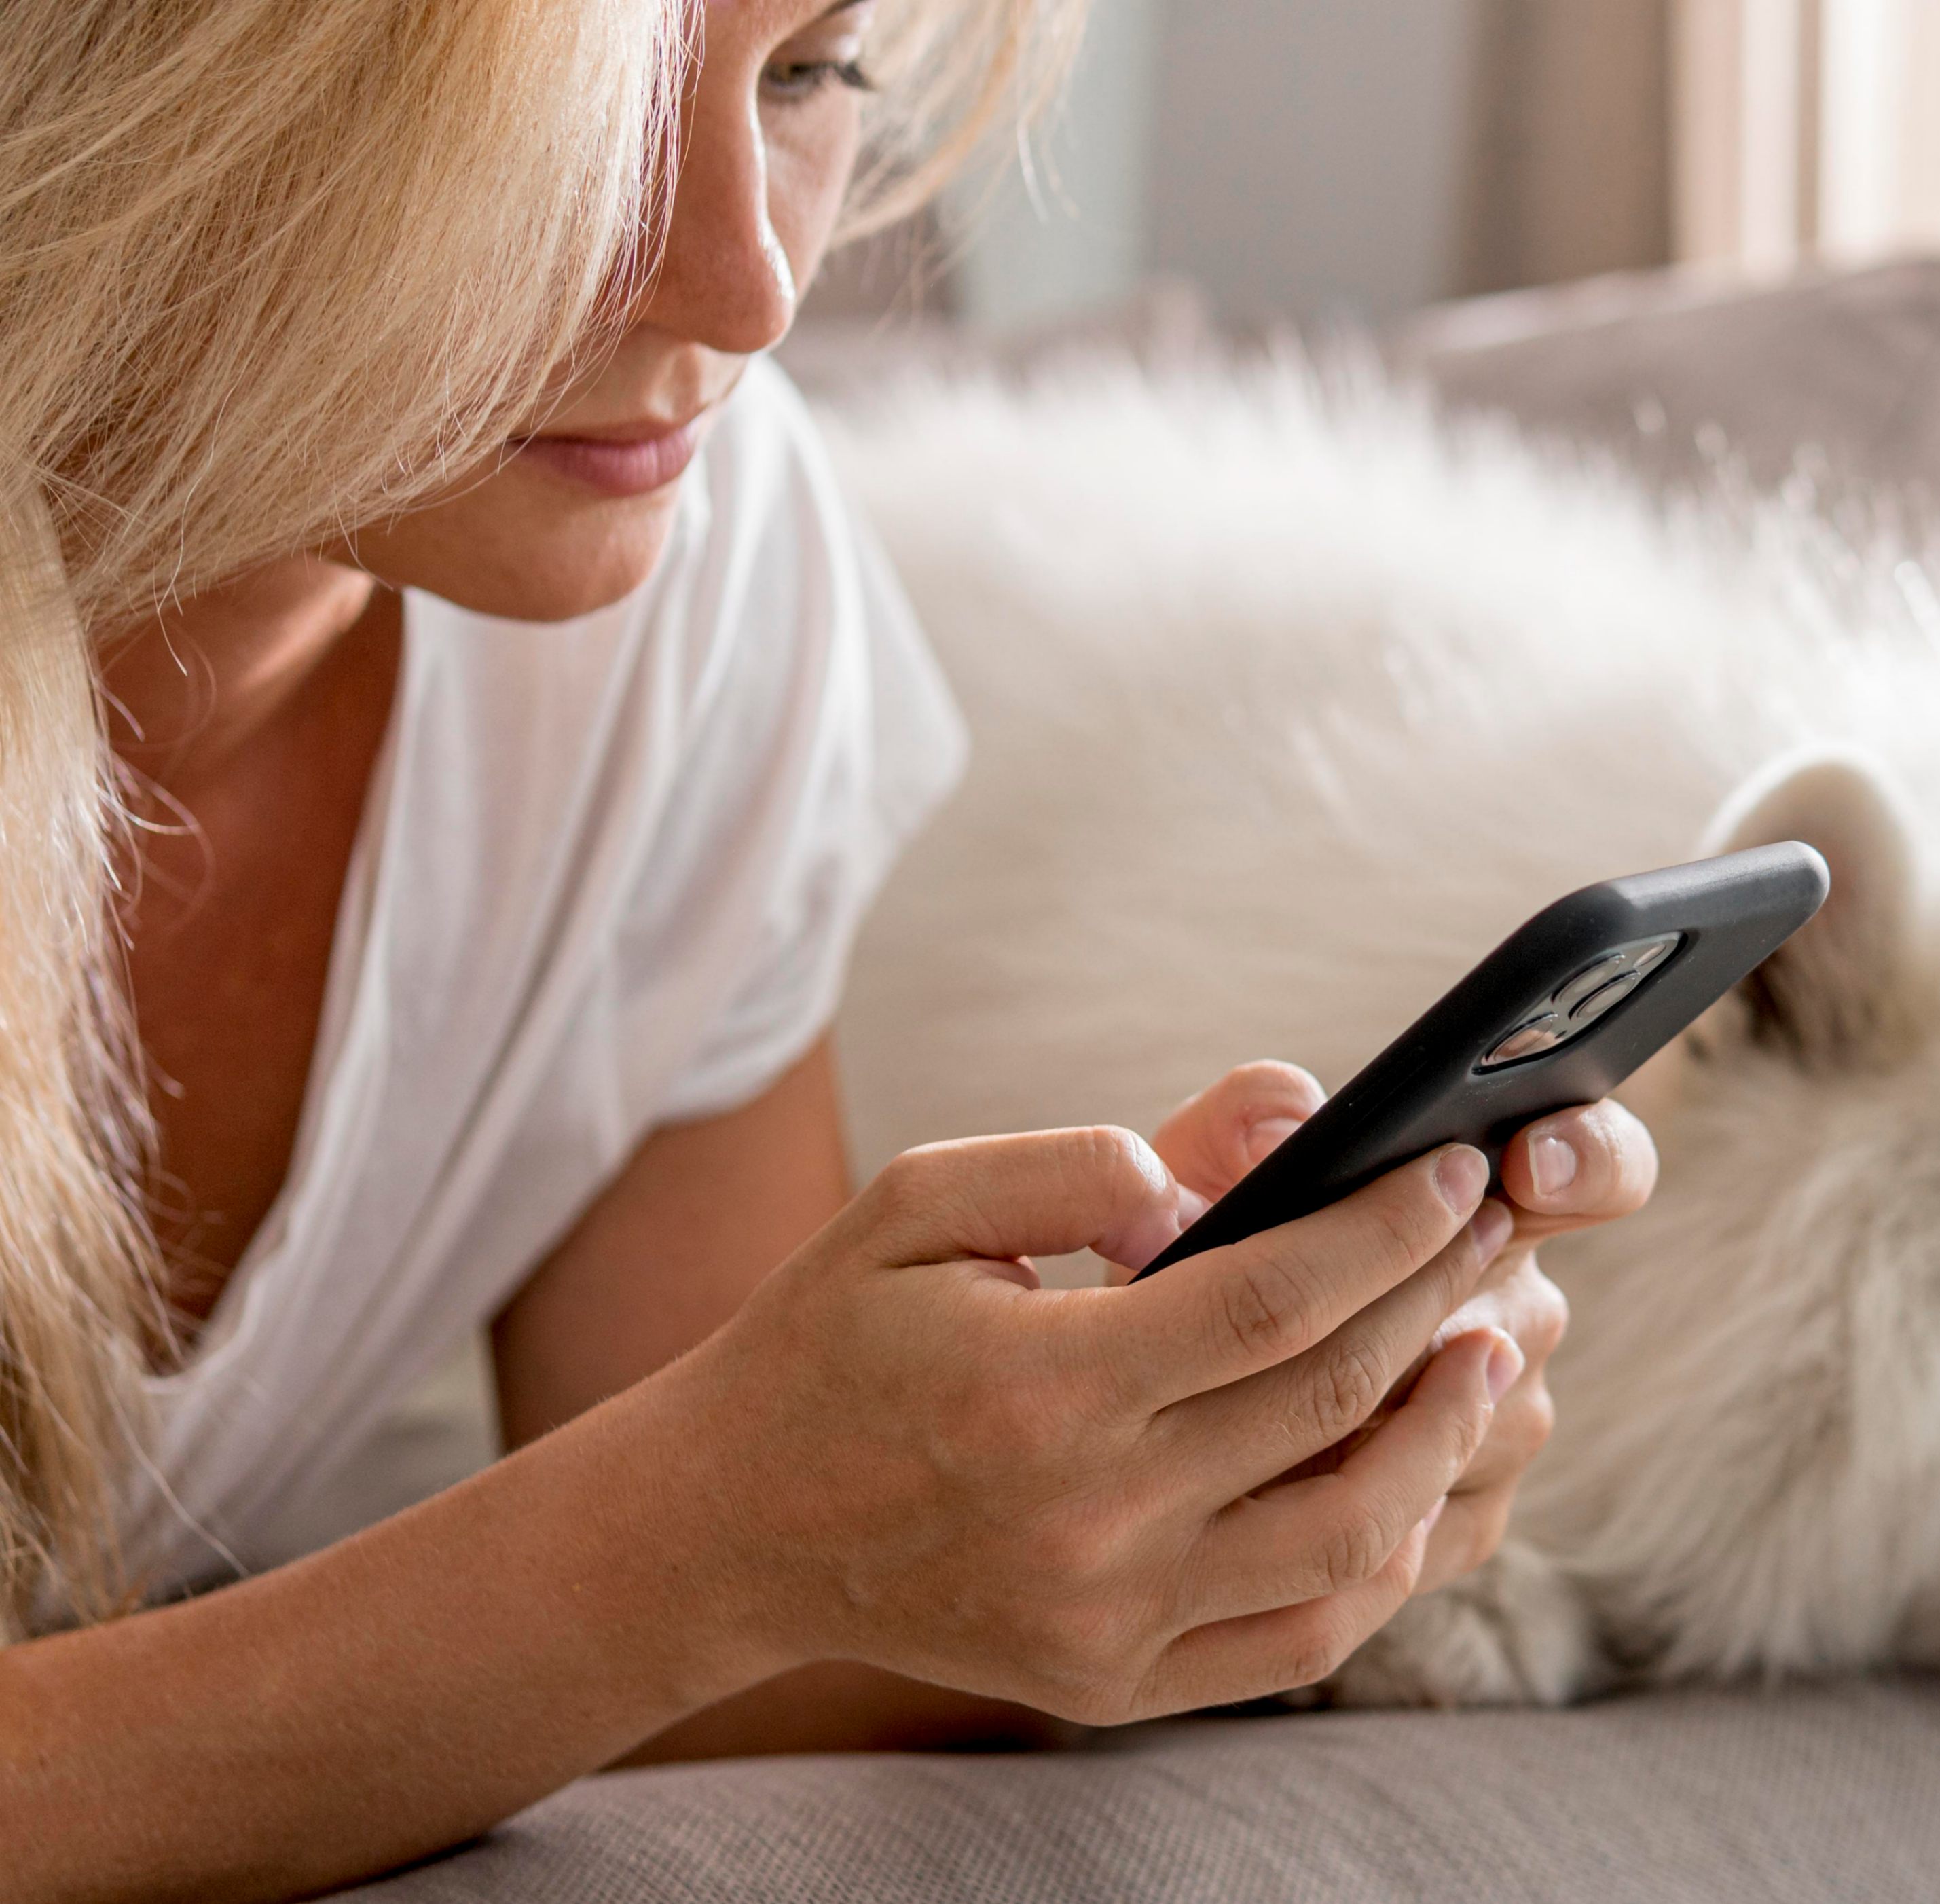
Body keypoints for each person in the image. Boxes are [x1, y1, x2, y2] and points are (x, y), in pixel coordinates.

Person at [0, 3, 1651, 1896]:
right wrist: (681, 1542)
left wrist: (1171, 1496)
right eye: (575, 116)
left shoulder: (705, 595)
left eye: (806, 73)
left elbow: (706, 1639)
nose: (755, 281)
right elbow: (643, 1577)